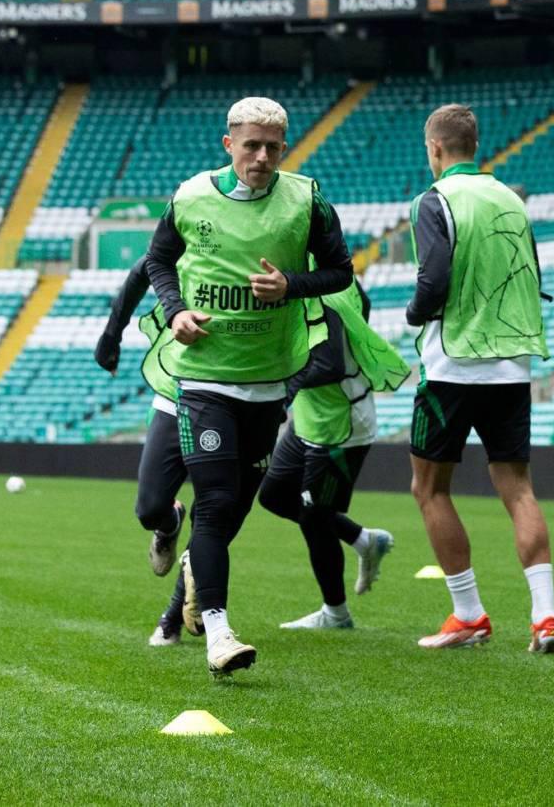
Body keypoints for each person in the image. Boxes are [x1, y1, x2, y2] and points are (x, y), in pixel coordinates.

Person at [145, 96, 353, 676]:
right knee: (204, 505)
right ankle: (219, 633)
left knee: (227, 511)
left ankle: (181, 606)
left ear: (283, 149)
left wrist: (291, 285)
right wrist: (175, 310)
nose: (260, 157)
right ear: (228, 143)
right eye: (250, 145)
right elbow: (158, 262)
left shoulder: (307, 200)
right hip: (204, 380)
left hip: (266, 385)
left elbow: (341, 270)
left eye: (272, 148)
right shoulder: (190, 197)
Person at [406, 104, 554, 652]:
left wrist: (415, 313)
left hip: (452, 363)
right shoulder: (511, 200)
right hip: (511, 363)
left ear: (435, 149)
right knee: (518, 490)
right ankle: (544, 616)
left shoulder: (435, 200)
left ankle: (469, 612)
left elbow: (435, 275)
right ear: (475, 144)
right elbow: (534, 272)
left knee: (428, 488)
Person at [259, 277, 410, 629]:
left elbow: (330, 364)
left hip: (339, 425)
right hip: (311, 419)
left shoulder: (319, 292)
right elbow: (365, 302)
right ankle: (364, 539)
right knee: (275, 495)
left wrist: (281, 386)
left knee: (315, 518)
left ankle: (336, 614)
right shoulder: (335, 279)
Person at [95, 258, 190, 646]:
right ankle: (169, 523)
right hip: (175, 388)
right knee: (149, 508)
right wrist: (111, 333)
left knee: (217, 512)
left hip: (237, 394)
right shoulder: (191, 220)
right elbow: (142, 270)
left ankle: (177, 615)